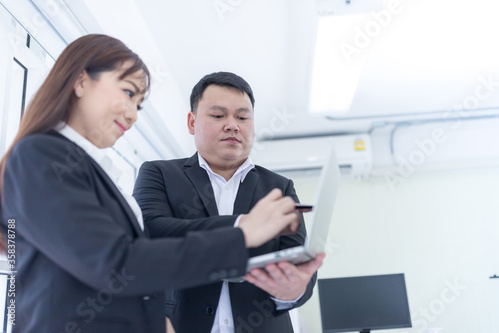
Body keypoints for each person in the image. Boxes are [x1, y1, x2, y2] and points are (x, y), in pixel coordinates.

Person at [0, 35, 303, 333]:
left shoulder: (86, 168)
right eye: (128, 93)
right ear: (80, 81)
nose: (132, 115)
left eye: (139, 104)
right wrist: (242, 234)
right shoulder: (41, 156)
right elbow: (119, 263)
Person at [133, 72, 325, 333]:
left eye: (243, 117)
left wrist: (293, 290)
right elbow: (152, 232)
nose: (233, 125)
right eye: (218, 115)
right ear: (191, 122)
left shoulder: (279, 188)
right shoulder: (159, 174)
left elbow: (298, 264)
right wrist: (242, 226)